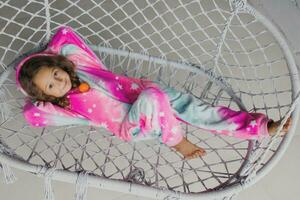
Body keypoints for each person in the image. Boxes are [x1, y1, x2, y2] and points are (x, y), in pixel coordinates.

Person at [16, 26, 292, 159]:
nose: (59, 81)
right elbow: (33, 113)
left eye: (56, 73)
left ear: (60, 66)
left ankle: (260, 127)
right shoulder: (62, 104)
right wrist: (36, 90)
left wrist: (47, 55)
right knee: (154, 97)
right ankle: (177, 142)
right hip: (133, 124)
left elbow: (65, 36)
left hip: (145, 92)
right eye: (50, 85)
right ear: (47, 96)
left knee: (196, 109)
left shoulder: (81, 67)